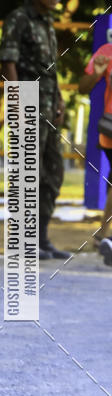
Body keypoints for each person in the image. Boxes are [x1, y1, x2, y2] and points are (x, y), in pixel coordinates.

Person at [0, 0, 68, 260]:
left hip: (50, 106)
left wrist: (61, 100)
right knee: (28, 173)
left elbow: (50, 69)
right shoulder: (19, 18)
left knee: (53, 173)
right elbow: (8, 61)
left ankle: (41, 238)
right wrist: (16, 100)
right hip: (28, 102)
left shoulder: (47, 22)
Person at [78, 43, 112, 265]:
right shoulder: (107, 51)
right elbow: (83, 87)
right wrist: (98, 74)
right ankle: (104, 235)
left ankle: (103, 236)